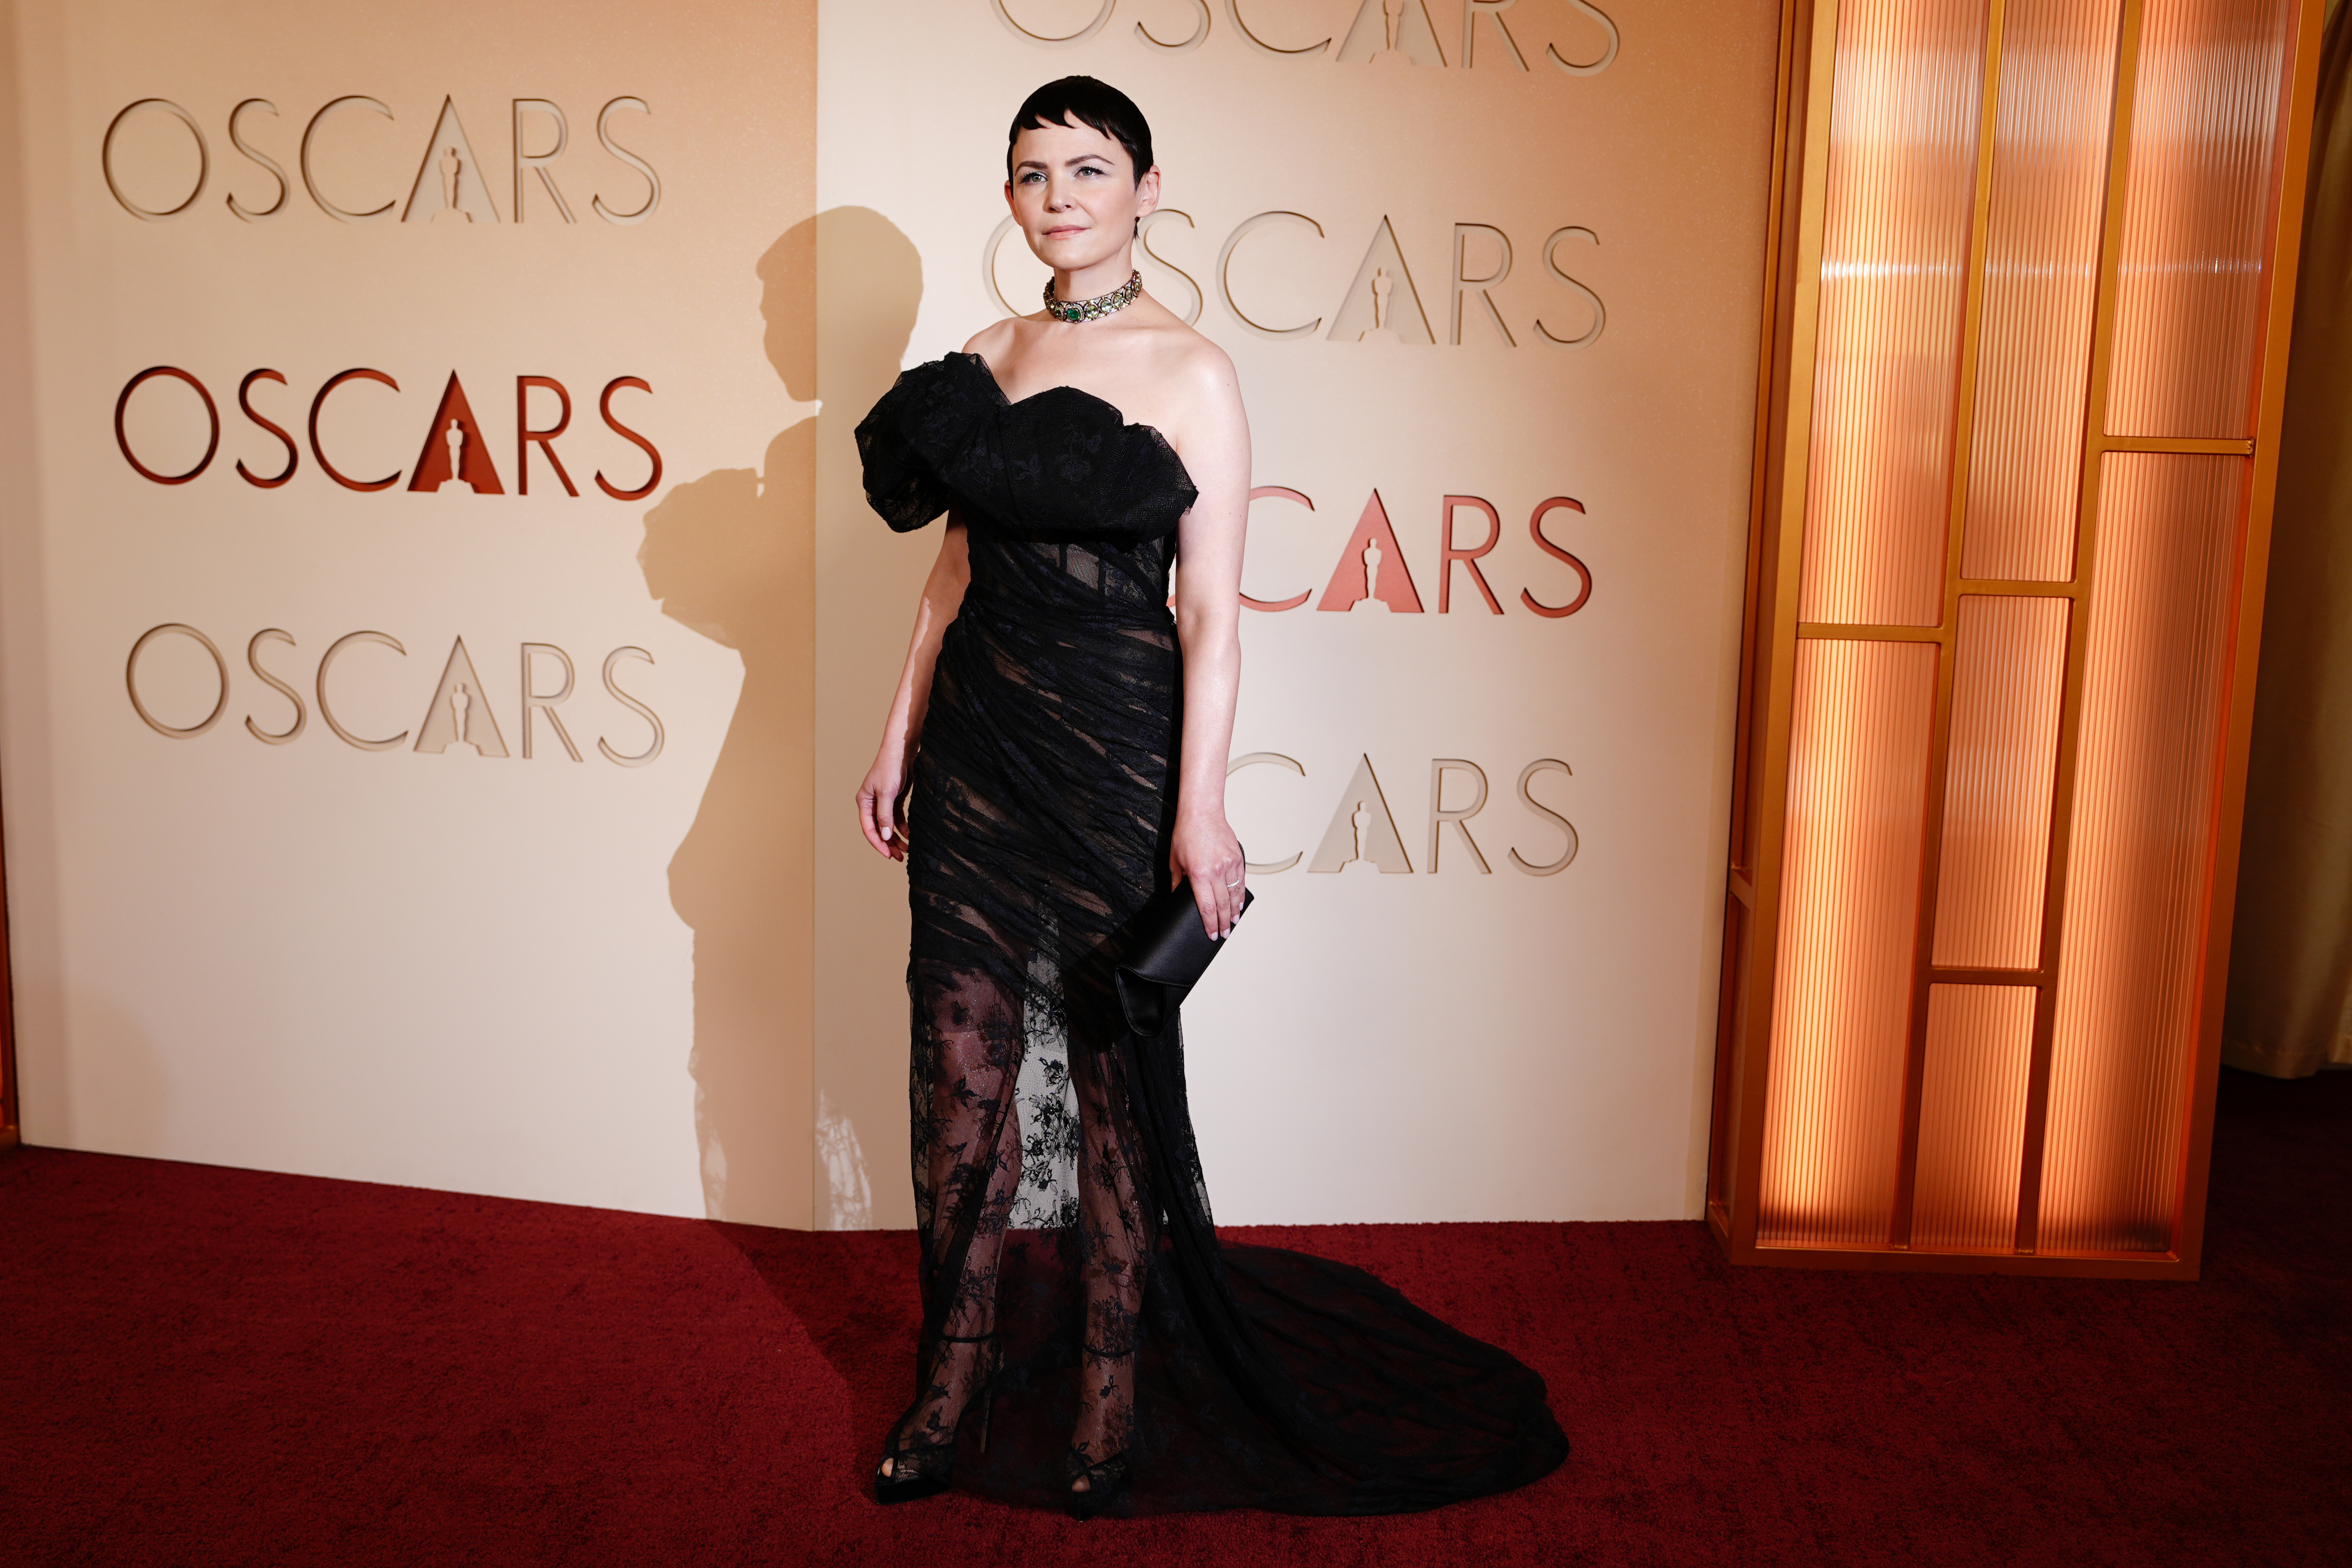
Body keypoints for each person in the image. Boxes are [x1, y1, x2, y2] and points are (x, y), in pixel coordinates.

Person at [853, 76, 1567, 1518]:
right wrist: (896, 741)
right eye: (1032, 174)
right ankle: (947, 1384)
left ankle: (1110, 1402)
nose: (1059, 197)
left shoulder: (1195, 370)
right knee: (960, 1079)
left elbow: (1212, 618)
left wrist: (1201, 812)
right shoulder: (981, 359)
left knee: (1113, 1093)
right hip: (981, 753)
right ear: (1009, 197)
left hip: (1117, 756)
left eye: (1089, 170)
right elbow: (947, 579)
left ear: (1147, 188)